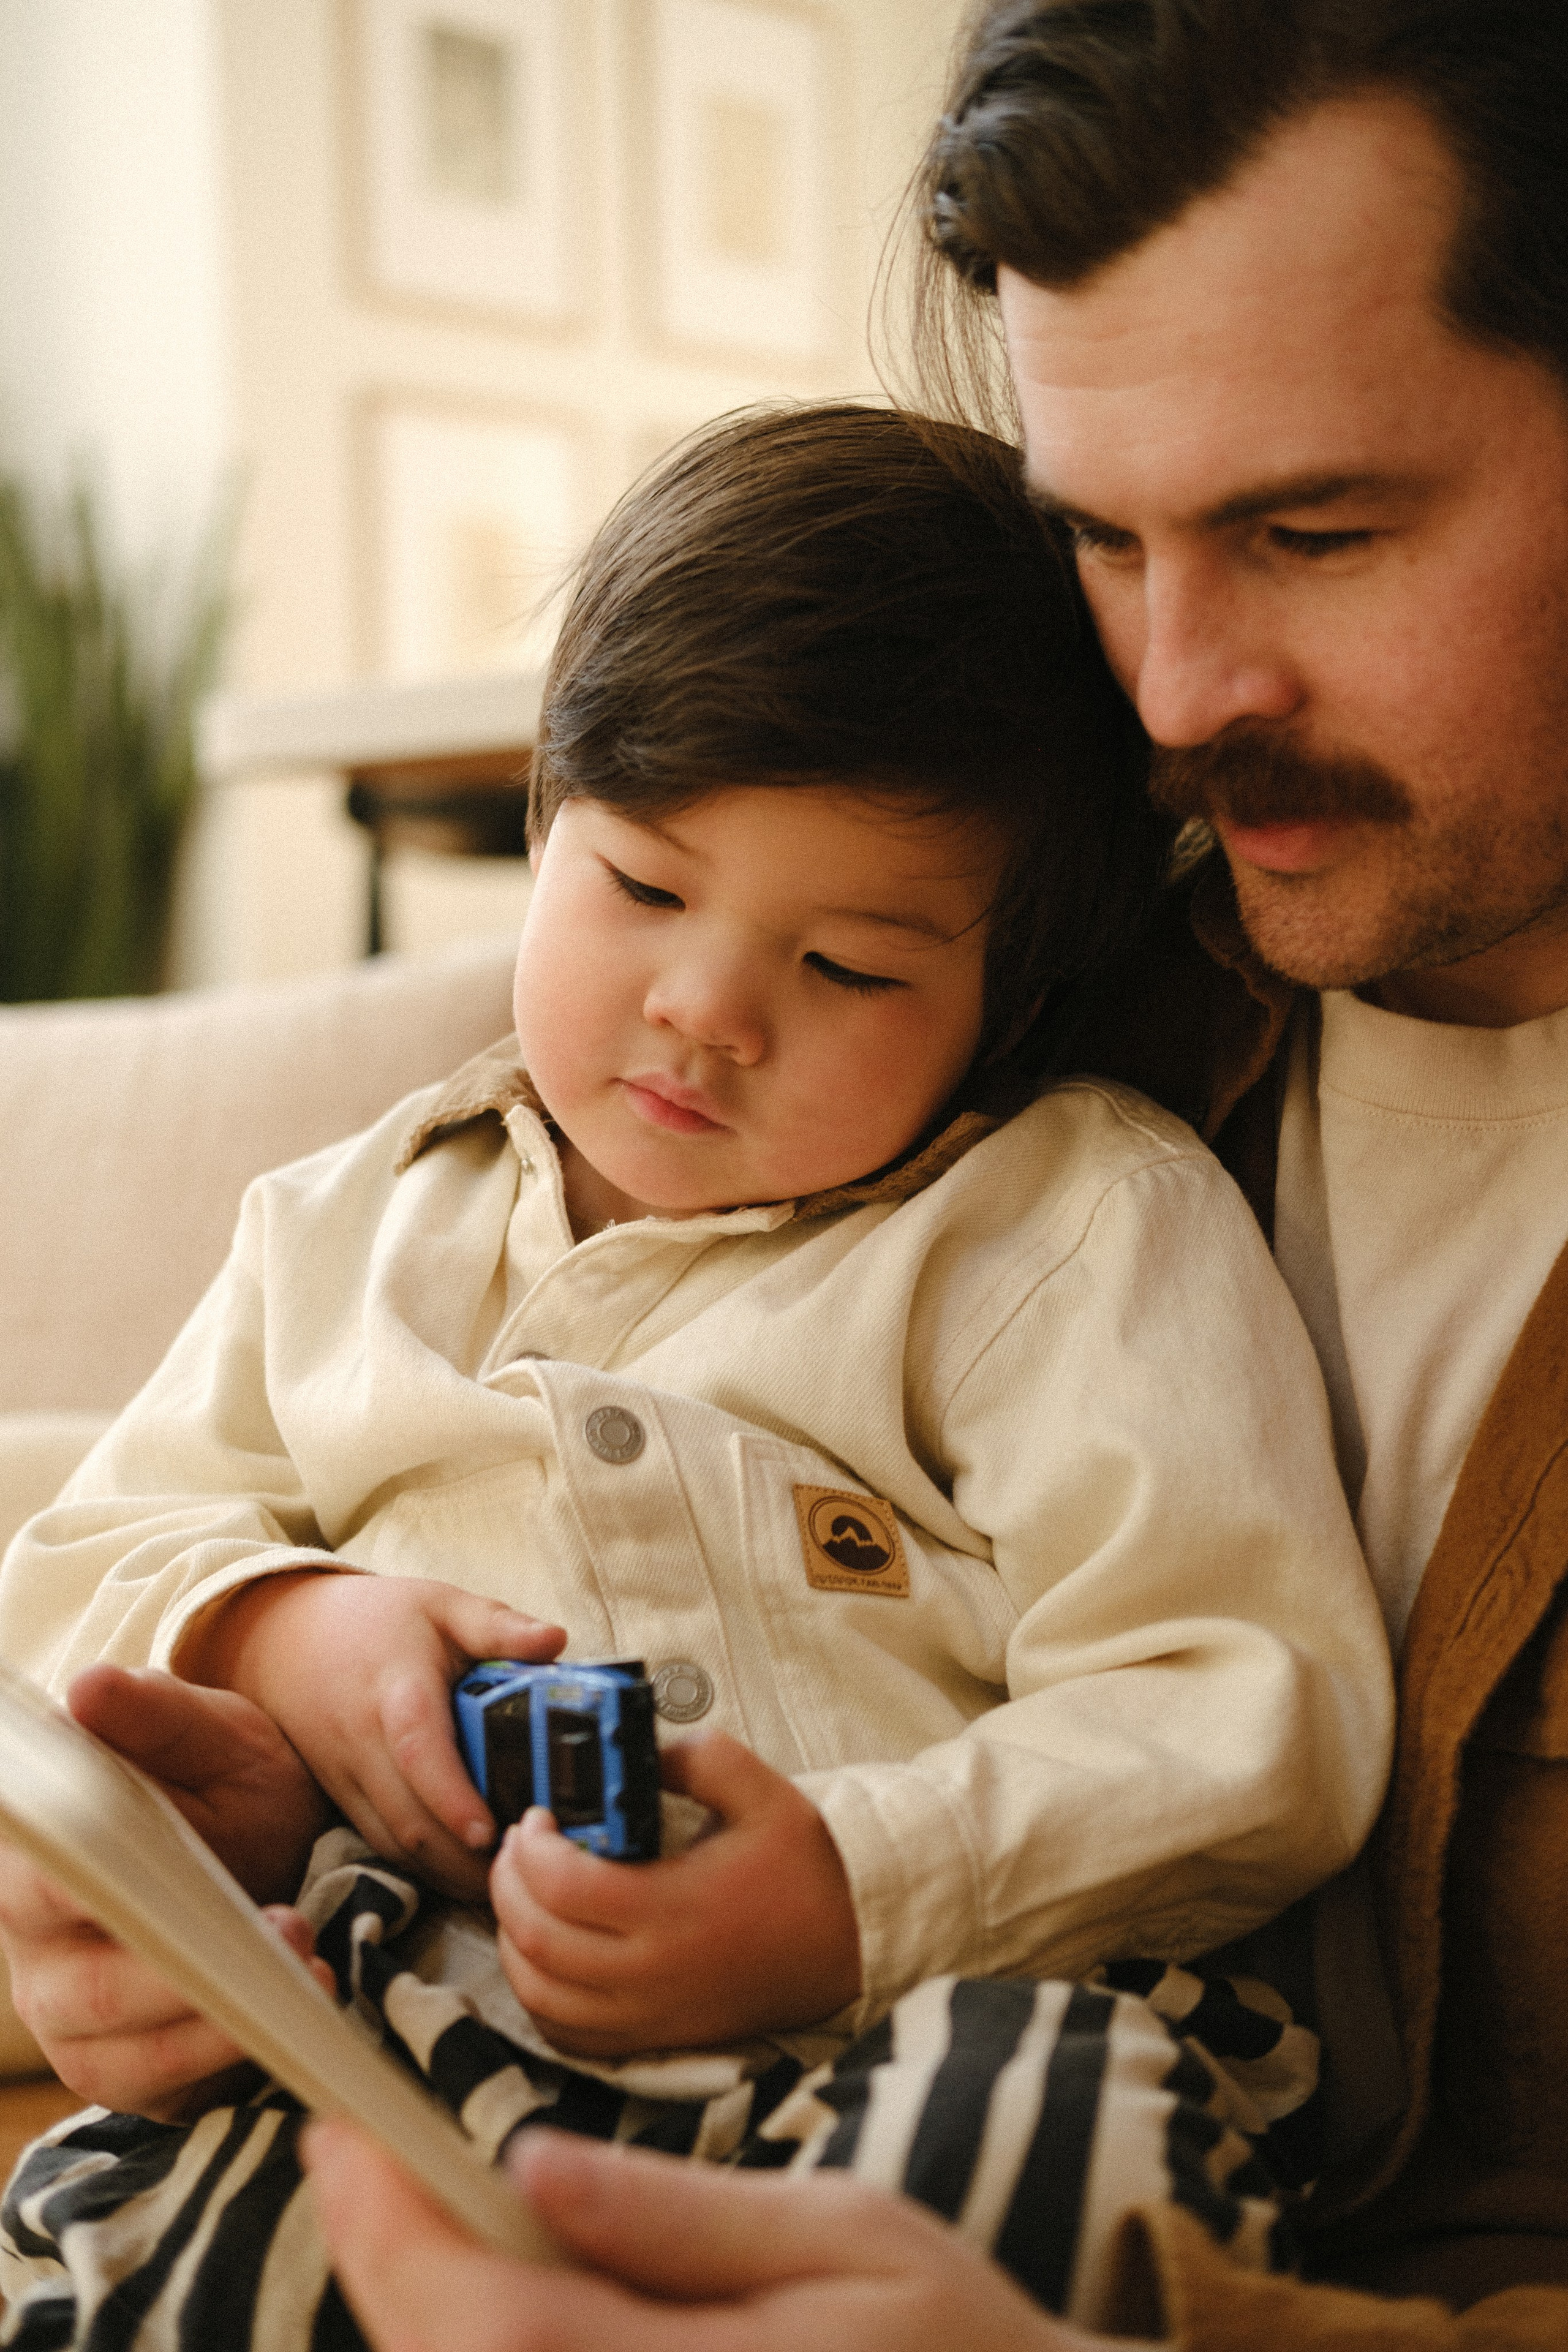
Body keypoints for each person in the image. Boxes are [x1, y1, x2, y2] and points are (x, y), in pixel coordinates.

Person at [268, 0, 1568, 2345]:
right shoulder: (1036, 992)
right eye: (1099, 534)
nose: (1168, 697)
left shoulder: (1055, 1191)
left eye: (1315, 529)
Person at [0, 403, 1387, 2347]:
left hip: (925, 2015)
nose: (708, 1012)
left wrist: (853, 1884)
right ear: (549, 813)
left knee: (1050, 2155)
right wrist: (278, 1630)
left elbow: (1250, 1703)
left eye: (851, 970)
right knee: (168, 2226)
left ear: (1013, 995)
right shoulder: (344, 1229)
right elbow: (83, 1566)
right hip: (421, 2004)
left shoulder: (1062, 1223)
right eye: (644, 889)